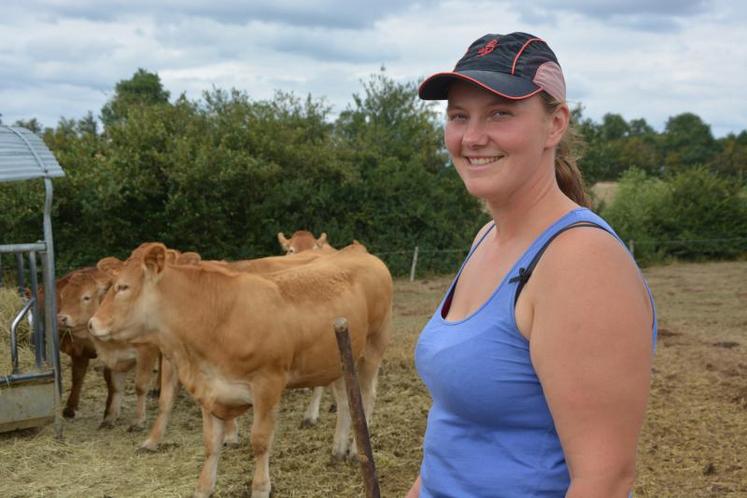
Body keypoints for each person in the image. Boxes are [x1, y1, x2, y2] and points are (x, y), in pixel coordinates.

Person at [406, 32, 657, 498]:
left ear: (555, 123)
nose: (473, 137)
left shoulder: (581, 262)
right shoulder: (487, 239)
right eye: (459, 116)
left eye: (500, 113)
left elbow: (603, 480)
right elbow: (455, 434)